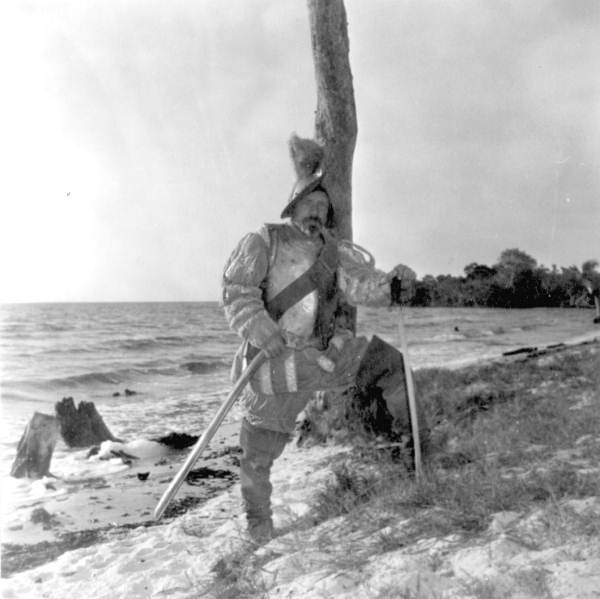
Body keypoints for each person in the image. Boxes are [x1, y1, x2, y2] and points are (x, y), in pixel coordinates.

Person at [221, 134, 422, 543]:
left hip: (324, 356)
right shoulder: (264, 240)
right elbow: (236, 290)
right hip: (273, 361)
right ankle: (259, 528)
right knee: (258, 456)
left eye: (323, 208)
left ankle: (414, 460)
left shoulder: (336, 252)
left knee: (389, 362)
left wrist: (393, 285)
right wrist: (260, 328)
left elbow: (362, 286)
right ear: (293, 206)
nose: (316, 212)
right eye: (310, 204)